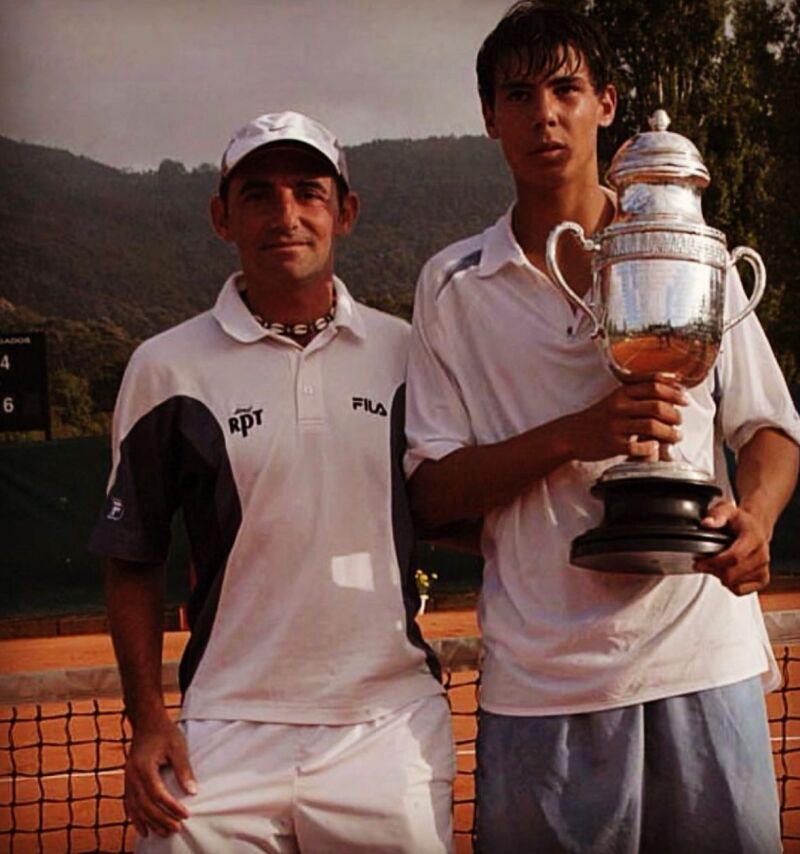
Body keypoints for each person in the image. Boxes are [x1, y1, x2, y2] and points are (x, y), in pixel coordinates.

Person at [404, 4, 800, 852]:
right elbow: (433, 489)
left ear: (609, 103)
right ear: (489, 118)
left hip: (703, 661)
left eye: (566, 88)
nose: (544, 113)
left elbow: (769, 429)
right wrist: (573, 434)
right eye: (518, 95)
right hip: (543, 686)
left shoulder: (689, 248)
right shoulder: (450, 285)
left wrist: (757, 519)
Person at [90, 111, 454, 853]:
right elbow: (133, 557)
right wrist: (149, 722)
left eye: (308, 192)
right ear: (222, 217)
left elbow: (459, 498)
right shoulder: (164, 368)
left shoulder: (412, 352)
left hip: (386, 723)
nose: (284, 214)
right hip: (221, 728)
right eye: (258, 194)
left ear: (344, 213)